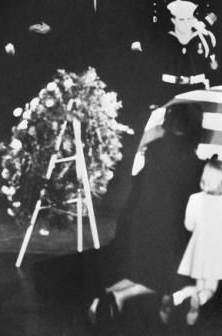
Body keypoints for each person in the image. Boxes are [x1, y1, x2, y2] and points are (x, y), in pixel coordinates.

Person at [87, 102, 204, 326]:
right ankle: (120, 296)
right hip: (165, 234)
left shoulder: (155, 150)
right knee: (174, 281)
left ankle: (107, 294)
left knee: (141, 275)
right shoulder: (189, 161)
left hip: (139, 229)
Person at [163, 159, 222, 326]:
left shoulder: (195, 199)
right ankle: (199, 301)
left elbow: (189, 225)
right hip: (217, 252)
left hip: (199, 250)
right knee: (210, 288)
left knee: (199, 283)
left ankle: (176, 297)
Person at [152, 0, 218, 105]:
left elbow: (218, 10)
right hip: (169, 86)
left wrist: (204, 23)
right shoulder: (164, 38)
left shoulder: (205, 38)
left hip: (198, 37)